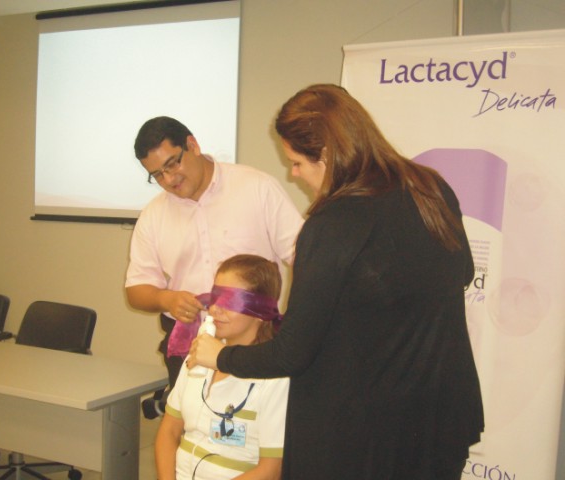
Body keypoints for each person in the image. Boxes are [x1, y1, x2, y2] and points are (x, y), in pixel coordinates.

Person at [190, 84, 484, 480]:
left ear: (327, 155)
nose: (294, 173)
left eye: (297, 162)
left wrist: (219, 357)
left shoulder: (331, 225)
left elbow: (291, 353)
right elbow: (463, 273)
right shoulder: (431, 188)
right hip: (439, 416)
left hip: (366, 435)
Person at [125, 116, 303, 417]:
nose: (169, 179)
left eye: (172, 164)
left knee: (256, 426)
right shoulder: (154, 215)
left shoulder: (256, 187)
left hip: (256, 342)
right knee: (189, 425)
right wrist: (166, 299)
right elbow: (136, 290)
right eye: (157, 175)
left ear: (192, 145)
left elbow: (304, 257)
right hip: (189, 342)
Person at [155, 254, 289, 480]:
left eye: (229, 300)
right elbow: (169, 431)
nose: (214, 309)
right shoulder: (198, 355)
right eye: (215, 297)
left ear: (261, 310)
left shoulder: (275, 376)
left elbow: (271, 469)